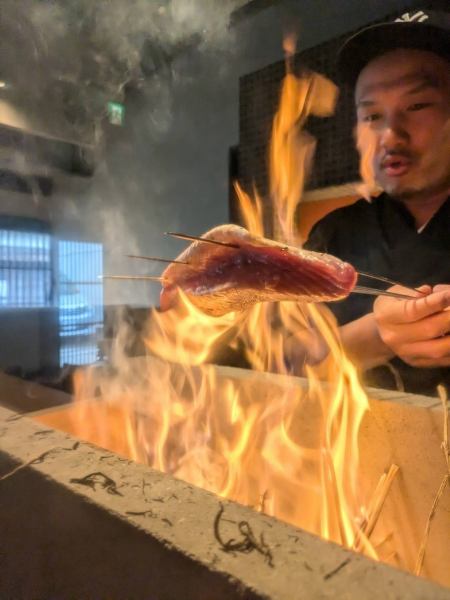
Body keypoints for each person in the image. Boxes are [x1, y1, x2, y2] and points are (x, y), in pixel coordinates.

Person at [305, 9, 450, 396]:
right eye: (371, 115)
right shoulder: (334, 235)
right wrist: (377, 335)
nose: (389, 135)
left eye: (418, 106)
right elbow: (287, 365)